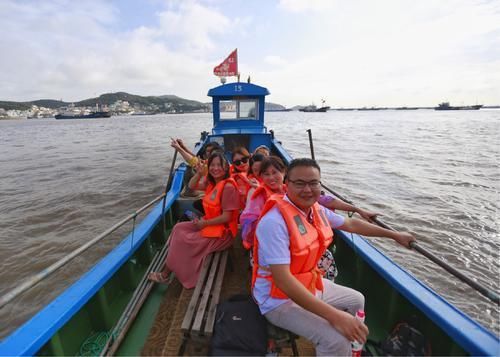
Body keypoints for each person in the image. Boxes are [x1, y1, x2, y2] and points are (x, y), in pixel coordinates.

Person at [252, 158, 416, 356]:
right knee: (335, 340)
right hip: (277, 299)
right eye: (299, 183)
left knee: (356, 300)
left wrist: (394, 235)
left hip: (307, 283)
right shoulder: (274, 222)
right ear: (286, 185)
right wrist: (336, 317)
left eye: (313, 183)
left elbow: (351, 225)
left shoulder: (315, 209)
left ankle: (352, 348)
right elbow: (283, 281)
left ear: (320, 185)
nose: (307, 190)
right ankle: (338, 346)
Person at [148, 152, 240, 288]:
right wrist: (199, 174)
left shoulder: (228, 187)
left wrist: (204, 223)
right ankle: (168, 270)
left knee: (186, 240)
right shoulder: (212, 183)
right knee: (178, 228)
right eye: (212, 165)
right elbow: (191, 186)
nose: (215, 168)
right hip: (209, 226)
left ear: (226, 168)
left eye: (219, 165)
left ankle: (166, 274)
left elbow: (227, 217)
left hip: (223, 234)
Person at [240, 156, 287, 250]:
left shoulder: (289, 190)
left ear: (283, 172)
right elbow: (248, 224)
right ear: (261, 176)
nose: (271, 177)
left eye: (274, 172)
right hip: (266, 245)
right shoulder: (258, 195)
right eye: (266, 174)